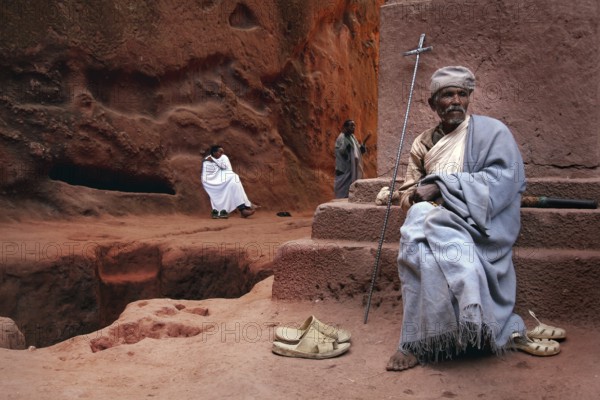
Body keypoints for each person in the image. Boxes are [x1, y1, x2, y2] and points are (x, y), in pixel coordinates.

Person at [387, 66, 528, 371]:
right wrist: (416, 198)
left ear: (468, 98)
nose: (455, 101)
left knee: (436, 236)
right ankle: (418, 341)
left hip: (478, 226)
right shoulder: (423, 143)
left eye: (461, 94)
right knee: (419, 239)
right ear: (433, 104)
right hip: (433, 220)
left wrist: (443, 186)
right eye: (446, 95)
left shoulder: (493, 132)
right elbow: (407, 193)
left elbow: (504, 181)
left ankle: (469, 328)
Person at [201, 145, 255, 218]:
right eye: (220, 152)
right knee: (234, 178)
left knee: (234, 182)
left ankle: (242, 209)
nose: (221, 153)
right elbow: (208, 175)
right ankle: (244, 207)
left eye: (222, 152)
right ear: (214, 152)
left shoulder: (223, 157)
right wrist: (215, 162)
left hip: (222, 178)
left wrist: (215, 160)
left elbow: (227, 168)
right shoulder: (207, 160)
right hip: (210, 181)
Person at [334, 119, 366, 198]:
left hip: (352, 168)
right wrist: (346, 145)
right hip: (344, 168)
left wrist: (361, 148)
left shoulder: (352, 137)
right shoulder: (342, 137)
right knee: (342, 188)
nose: (353, 127)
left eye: (354, 126)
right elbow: (342, 151)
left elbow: (356, 149)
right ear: (345, 127)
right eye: (351, 126)